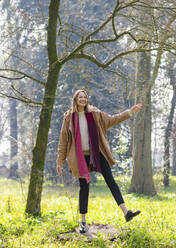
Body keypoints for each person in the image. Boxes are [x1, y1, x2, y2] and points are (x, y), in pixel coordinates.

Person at [56, 89, 142, 234]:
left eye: (85, 97)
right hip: (80, 157)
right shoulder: (69, 117)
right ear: (75, 99)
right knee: (84, 188)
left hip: (97, 153)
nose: (83, 99)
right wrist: (60, 161)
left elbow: (112, 119)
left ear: (87, 99)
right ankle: (83, 223)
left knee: (111, 181)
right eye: (80, 97)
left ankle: (126, 213)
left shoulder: (95, 114)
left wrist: (129, 112)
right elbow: (63, 141)